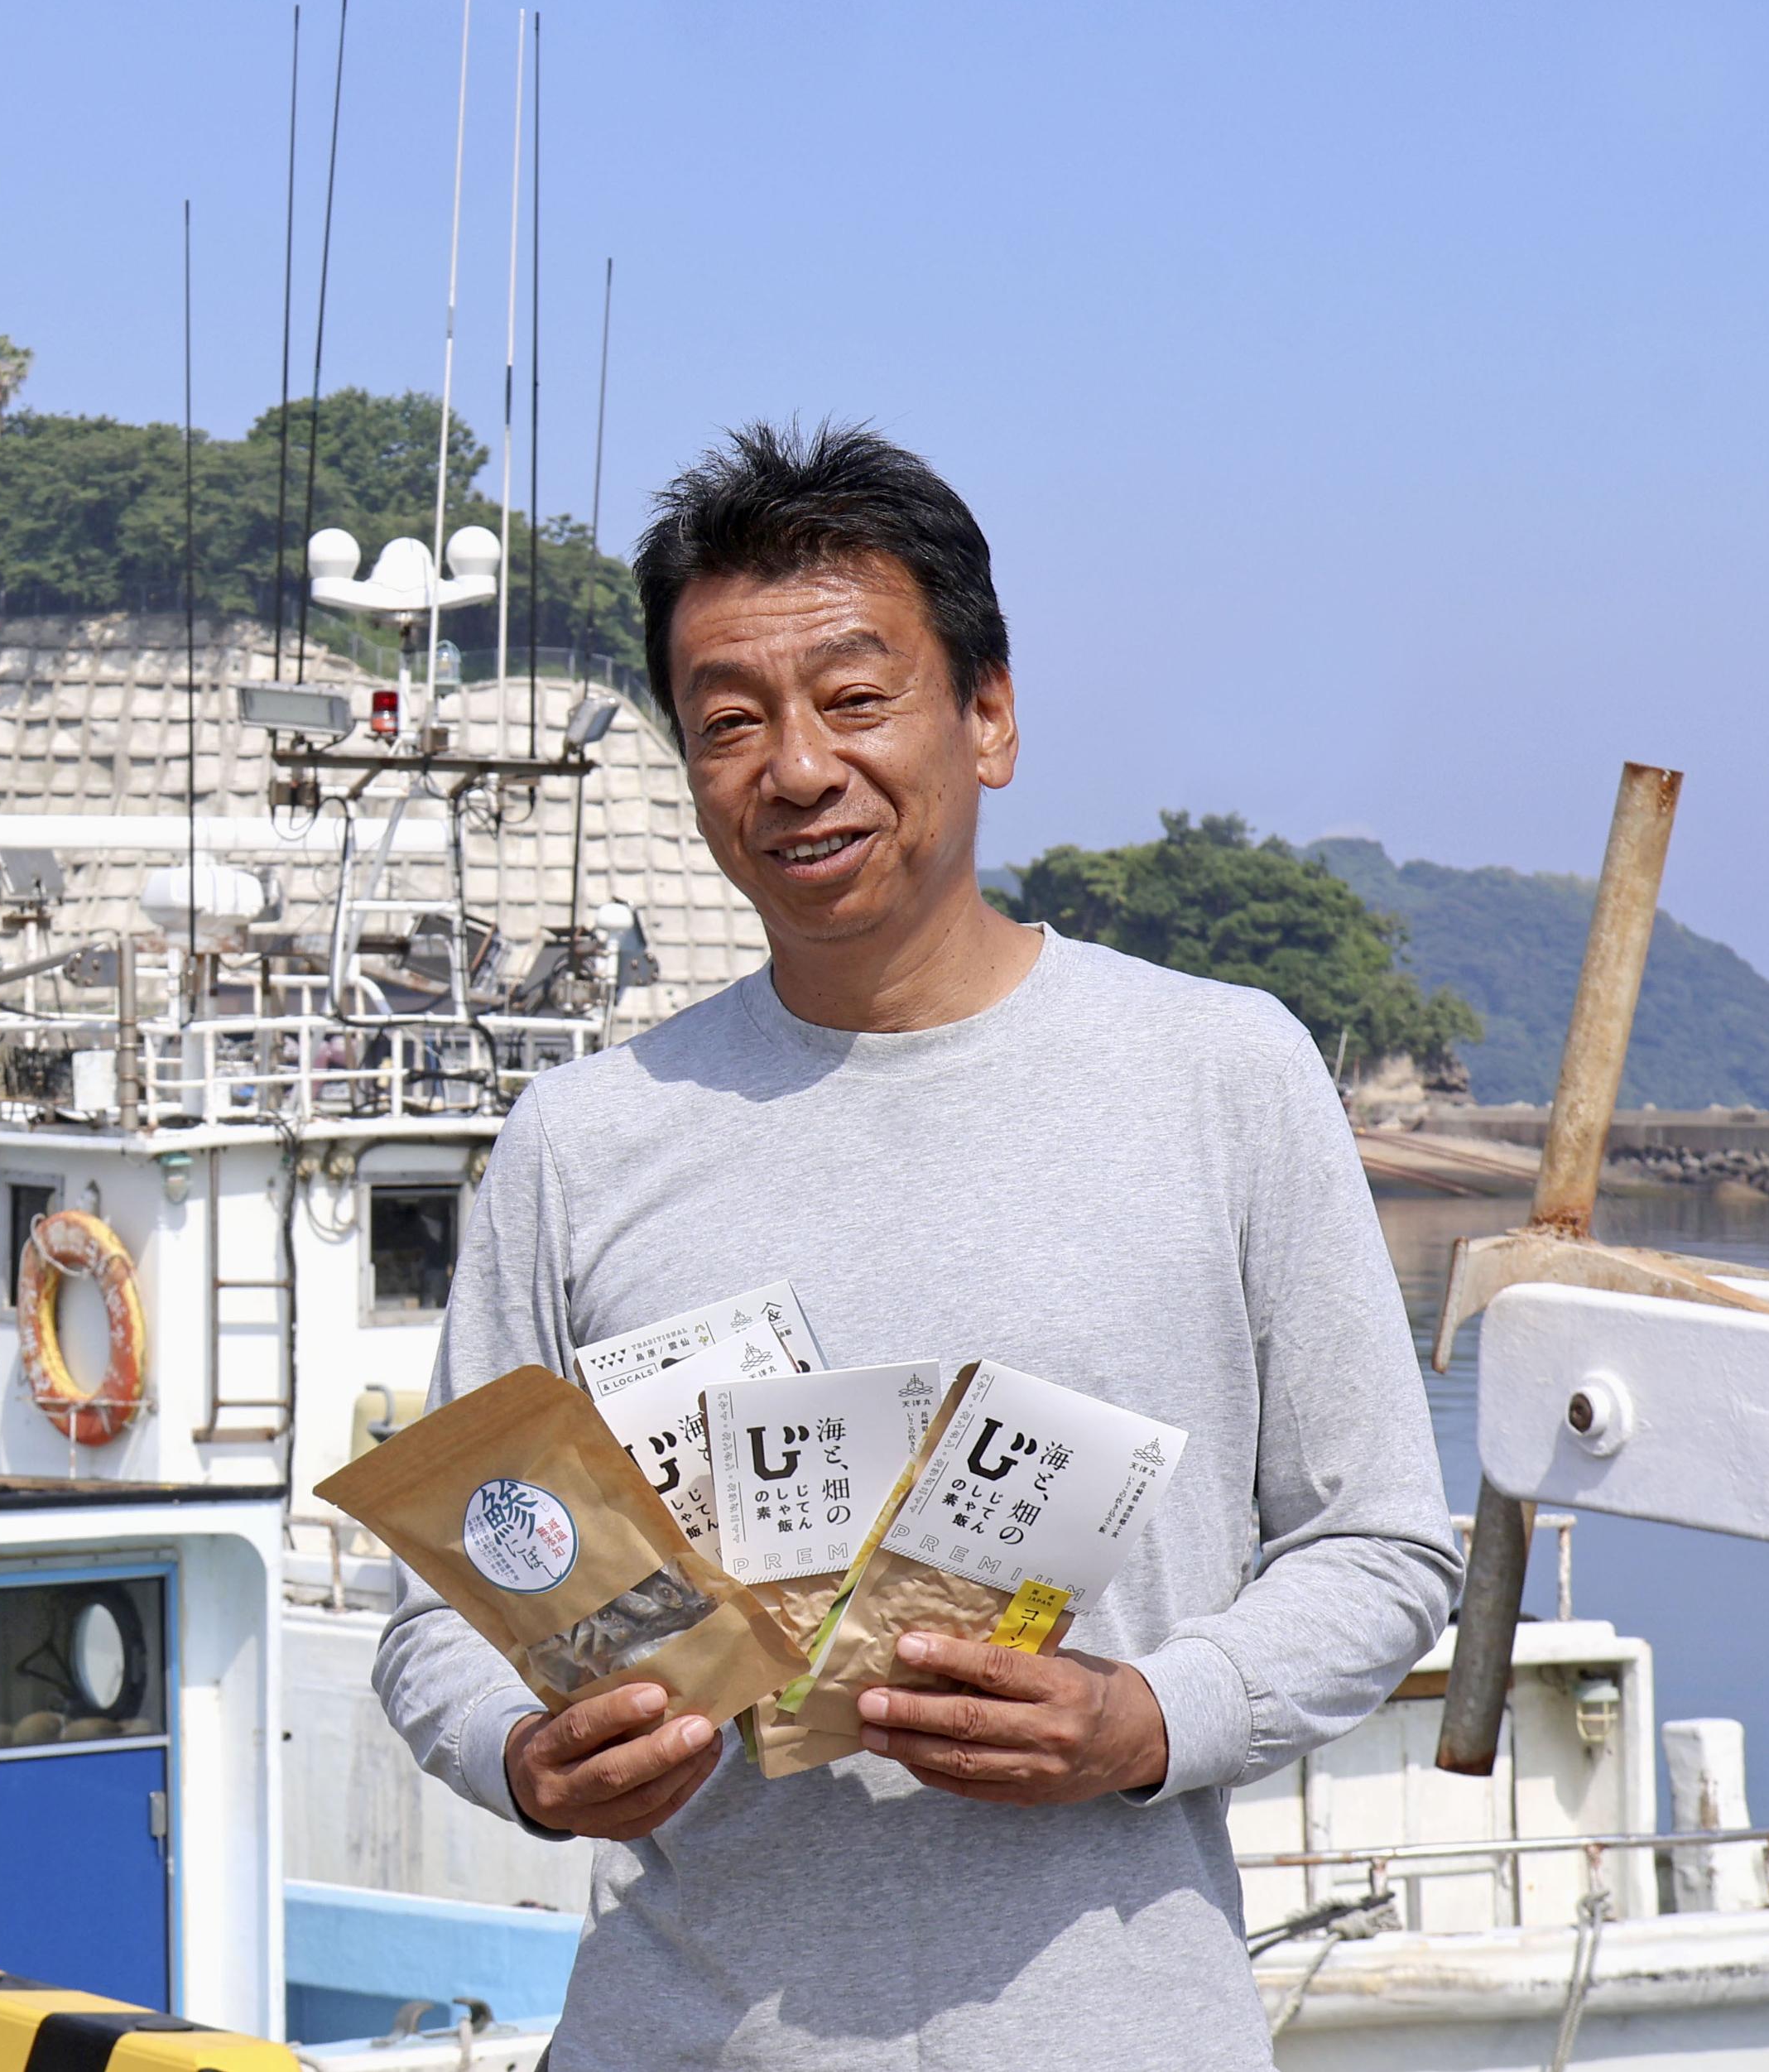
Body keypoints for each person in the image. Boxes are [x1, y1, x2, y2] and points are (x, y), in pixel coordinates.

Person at [371, 424, 1462, 2067]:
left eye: (855, 699)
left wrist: (1150, 1720)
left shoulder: (1222, 1073)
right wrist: (527, 1760)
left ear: (990, 715)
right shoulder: (580, 1143)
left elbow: (1382, 1543)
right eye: (726, 723)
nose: (794, 767)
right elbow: (446, 1608)